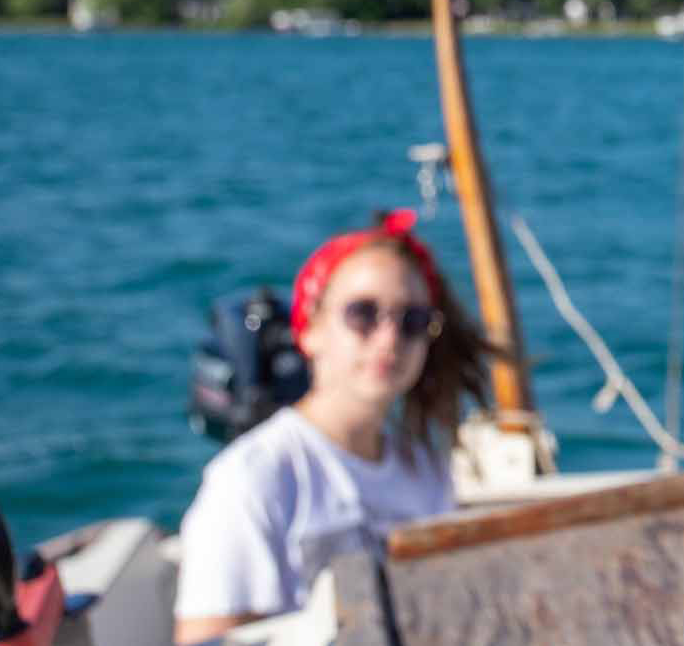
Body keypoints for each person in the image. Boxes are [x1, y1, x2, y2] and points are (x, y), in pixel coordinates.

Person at [172, 210, 492, 643]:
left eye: (412, 321)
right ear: (311, 329)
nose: (388, 338)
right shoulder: (252, 478)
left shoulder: (427, 469)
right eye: (363, 314)